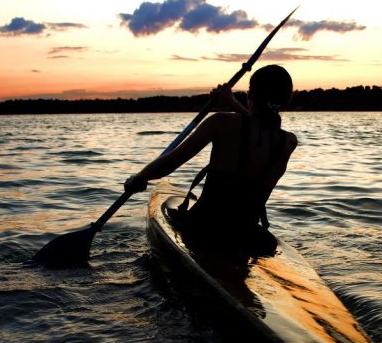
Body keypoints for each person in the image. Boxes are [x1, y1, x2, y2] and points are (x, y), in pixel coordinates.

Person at [125, 64, 297, 254]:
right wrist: (232, 103)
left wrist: (139, 178)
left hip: (203, 230)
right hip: (245, 237)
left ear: (250, 94)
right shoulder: (288, 142)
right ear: (285, 101)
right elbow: (260, 126)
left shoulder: (221, 122)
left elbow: (170, 163)